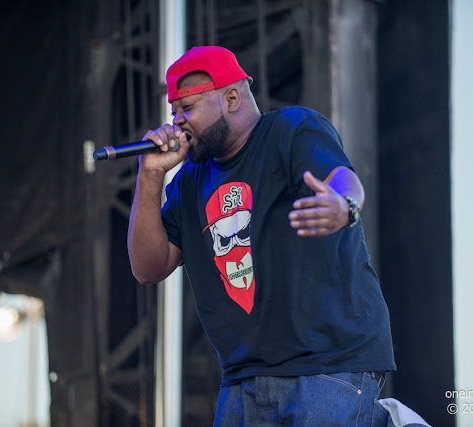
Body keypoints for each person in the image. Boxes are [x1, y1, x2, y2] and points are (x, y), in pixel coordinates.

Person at [128, 45, 395, 426]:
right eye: (174, 112)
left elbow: (340, 177)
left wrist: (344, 205)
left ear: (231, 98)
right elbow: (147, 267)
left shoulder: (290, 129)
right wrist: (150, 174)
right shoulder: (189, 181)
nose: (177, 121)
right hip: (242, 378)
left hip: (328, 365)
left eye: (187, 108)